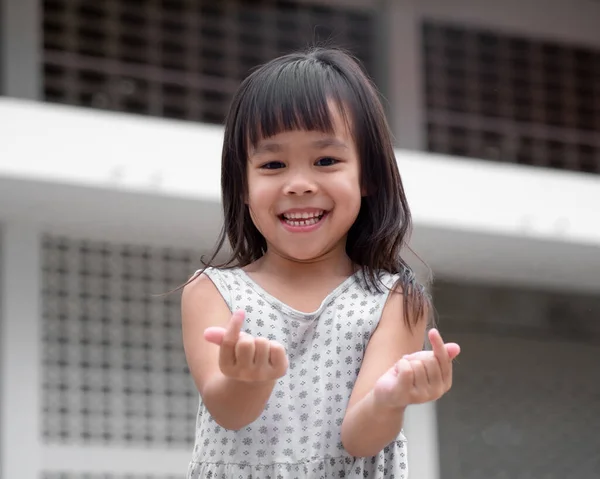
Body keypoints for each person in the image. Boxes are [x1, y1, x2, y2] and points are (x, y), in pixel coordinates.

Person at [181, 47, 460, 479]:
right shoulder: (211, 291)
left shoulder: (395, 300)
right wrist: (247, 378)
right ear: (242, 184)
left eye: (326, 160)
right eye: (273, 164)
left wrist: (391, 398)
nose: (298, 185)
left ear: (367, 175)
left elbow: (361, 440)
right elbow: (229, 413)